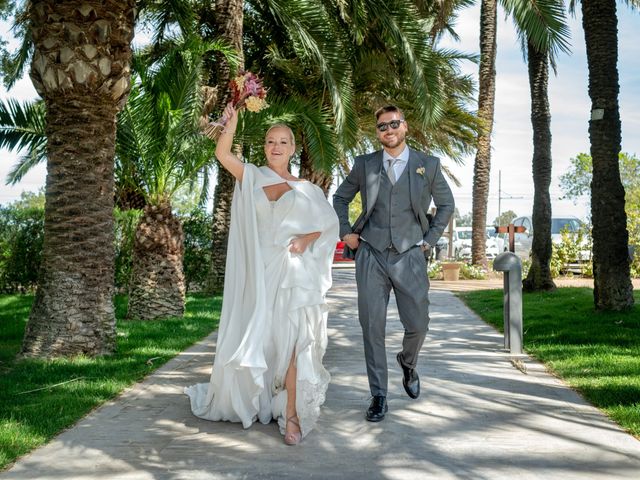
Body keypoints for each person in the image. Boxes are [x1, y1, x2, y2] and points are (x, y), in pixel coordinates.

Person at [185, 103, 339, 445]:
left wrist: (305, 238)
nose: (276, 146)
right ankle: (261, 399)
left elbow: (329, 228)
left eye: (283, 141)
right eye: (271, 140)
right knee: (267, 341)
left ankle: (293, 416)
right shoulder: (252, 175)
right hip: (259, 272)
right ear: (264, 146)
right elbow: (223, 155)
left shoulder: (308, 189)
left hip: (295, 273)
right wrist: (232, 122)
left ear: (293, 148)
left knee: (298, 341)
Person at [333, 104, 454, 422]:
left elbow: (446, 205)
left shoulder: (427, 165)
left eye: (394, 124)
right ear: (378, 133)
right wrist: (346, 232)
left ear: (406, 127)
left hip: (410, 255)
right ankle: (379, 395)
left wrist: (428, 241)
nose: (389, 130)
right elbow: (340, 197)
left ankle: (408, 362)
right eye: (382, 126)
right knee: (372, 327)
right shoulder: (365, 165)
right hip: (371, 254)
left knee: (418, 324)